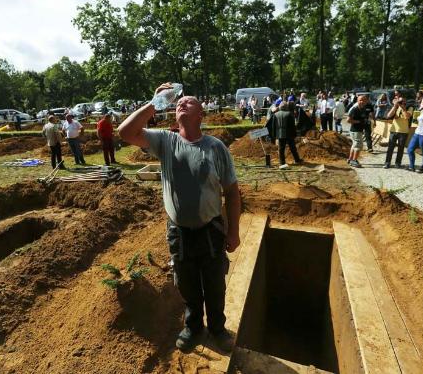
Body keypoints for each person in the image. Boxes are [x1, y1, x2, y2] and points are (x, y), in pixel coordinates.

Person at [118, 84, 241, 353]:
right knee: (186, 285)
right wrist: (154, 101)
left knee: (214, 284)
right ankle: (194, 326)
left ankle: (218, 329)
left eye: (189, 102)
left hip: (211, 231)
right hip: (180, 233)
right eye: (178, 103)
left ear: (201, 114)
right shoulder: (165, 142)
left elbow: (232, 192)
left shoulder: (216, 148)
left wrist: (233, 232)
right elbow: (125, 132)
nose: (181, 104)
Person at [271, 101, 302, 169]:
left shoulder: (275, 115)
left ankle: (282, 162)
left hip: (280, 134)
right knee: (293, 148)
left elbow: (273, 126)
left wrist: (274, 135)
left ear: (280, 107)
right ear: (286, 107)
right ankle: (297, 160)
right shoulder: (289, 114)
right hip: (289, 134)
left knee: (281, 149)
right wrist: (294, 134)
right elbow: (292, 126)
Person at [383, 96, 411, 169]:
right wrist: (395, 106)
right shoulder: (395, 107)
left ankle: (398, 163)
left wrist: (403, 108)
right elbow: (388, 116)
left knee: (400, 148)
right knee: (390, 148)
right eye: (400, 102)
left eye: (403, 102)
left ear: (406, 102)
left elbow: (406, 117)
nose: (402, 103)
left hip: (403, 131)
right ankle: (387, 162)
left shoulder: (409, 108)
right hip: (394, 130)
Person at [346, 94, 370, 168]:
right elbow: (348, 120)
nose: (362, 101)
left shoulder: (363, 108)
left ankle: (350, 159)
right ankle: (354, 160)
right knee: (358, 146)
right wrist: (359, 122)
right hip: (355, 130)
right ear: (357, 100)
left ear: (366, 101)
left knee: (354, 145)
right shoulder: (354, 109)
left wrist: (365, 121)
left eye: (364, 100)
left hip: (358, 130)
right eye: (360, 100)